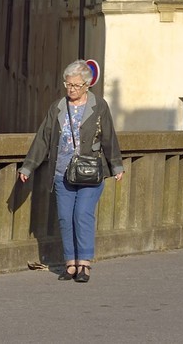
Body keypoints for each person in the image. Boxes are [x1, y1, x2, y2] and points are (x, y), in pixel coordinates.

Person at [19, 61, 124, 283]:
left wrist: (116, 166)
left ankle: (84, 264)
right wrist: (28, 166)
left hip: (90, 170)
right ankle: (71, 264)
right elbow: (43, 138)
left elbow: (109, 137)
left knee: (82, 214)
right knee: (65, 218)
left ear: (87, 85)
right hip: (61, 172)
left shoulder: (99, 106)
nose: (71, 89)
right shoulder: (57, 107)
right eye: (68, 84)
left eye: (76, 85)